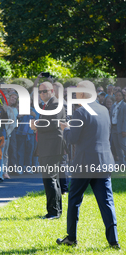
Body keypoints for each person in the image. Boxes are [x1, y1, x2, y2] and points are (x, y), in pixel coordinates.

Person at [57, 80, 120, 249]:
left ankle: (71, 238)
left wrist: (65, 129)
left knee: (74, 199)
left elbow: (72, 139)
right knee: (107, 201)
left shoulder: (80, 112)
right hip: (104, 161)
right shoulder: (104, 110)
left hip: (85, 162)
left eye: (76, 93)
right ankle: (114, 241)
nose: (75, 96)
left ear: (84, 94)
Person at [31, 81, 66, 220]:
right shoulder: (47, 105)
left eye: (44, 91)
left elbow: (52, 124)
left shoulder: (55, 104)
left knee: (49, 179)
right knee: (52, 179)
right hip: (48, 146)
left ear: (52, 91)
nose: (41, 94)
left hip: (52, 147)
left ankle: (53, 212)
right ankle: (56, 210)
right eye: (40, 92)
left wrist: (36, 126)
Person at [110, 90, 126, 165]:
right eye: (116, 95)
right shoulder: (113, 105)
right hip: (114, 128)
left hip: (121, 129)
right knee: (117, 147)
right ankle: (122, 163)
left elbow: (125, 119)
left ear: (122, 97)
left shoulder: (124, 105)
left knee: (123, 145)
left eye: (119, 95)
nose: (118, 97)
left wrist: (124, 130)